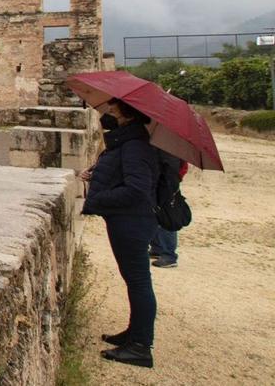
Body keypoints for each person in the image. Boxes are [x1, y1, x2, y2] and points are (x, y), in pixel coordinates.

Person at [79, 98, 159, 368]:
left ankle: (140, 346)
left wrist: (100, 198)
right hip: (129, 220)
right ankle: (134, 333)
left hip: (132, 222)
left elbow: (137, 189)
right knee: (134, 280)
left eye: (114, 107)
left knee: (138, 282)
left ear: (126, 113)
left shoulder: (134, 145)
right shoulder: (131, 140)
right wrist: (98, 173)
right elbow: (124, 175)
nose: (109, 110)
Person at [150, 155, 188, 268]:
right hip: (162, 181)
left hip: (167, 183)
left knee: (167, 218)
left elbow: (173, 168)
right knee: (155, 213)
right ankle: (157, 248)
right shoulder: (163, 143)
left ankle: (169, 255)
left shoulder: (171, 147)